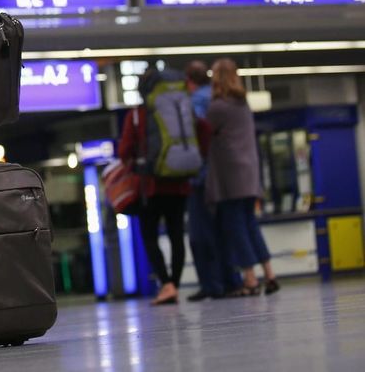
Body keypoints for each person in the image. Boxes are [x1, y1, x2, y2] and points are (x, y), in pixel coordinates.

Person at [117, 67, 195, 305]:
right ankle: (176, 284)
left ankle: (166, 284)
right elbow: (202, 131)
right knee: (176, 236)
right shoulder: (183, 110)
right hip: (179, 183)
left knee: (150, 236)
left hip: (150, 187)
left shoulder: (138, 115)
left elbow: (124, 151)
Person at [206, 58, 280, 296]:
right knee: (250, 223)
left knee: (235, 225)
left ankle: (250, 277)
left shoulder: (217, 107)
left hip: (230, 174)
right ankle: (270, 273)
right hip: (250, 172)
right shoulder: (243, 103)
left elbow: (206, 133)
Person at [185, 60, 241, 301]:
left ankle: (211, 284)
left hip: (200, 178)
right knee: (224, 231)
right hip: (225, 177)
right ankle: (231, 281)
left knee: (200, 234)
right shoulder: (223, 99)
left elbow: (195, 136)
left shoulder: (196, 101)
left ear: (189, 82)